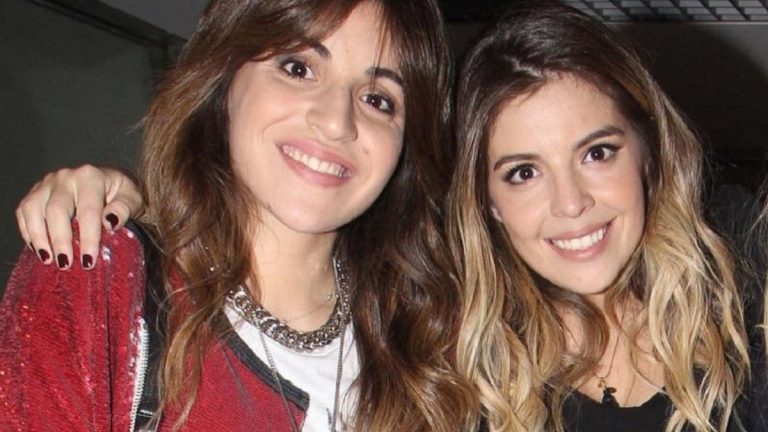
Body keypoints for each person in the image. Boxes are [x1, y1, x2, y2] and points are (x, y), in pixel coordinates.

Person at [1, 0, 478, 430]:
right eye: (298, 68)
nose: (336, 121)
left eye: (378, 100)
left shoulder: (433, 346)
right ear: (225, 80)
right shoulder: (100, 277)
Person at [447, 4, 750, 431]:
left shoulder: (745, 291)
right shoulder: (461, 386)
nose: (570, 203)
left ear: (648, 151)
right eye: (524, 173)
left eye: (596, 153)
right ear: (488, 202)